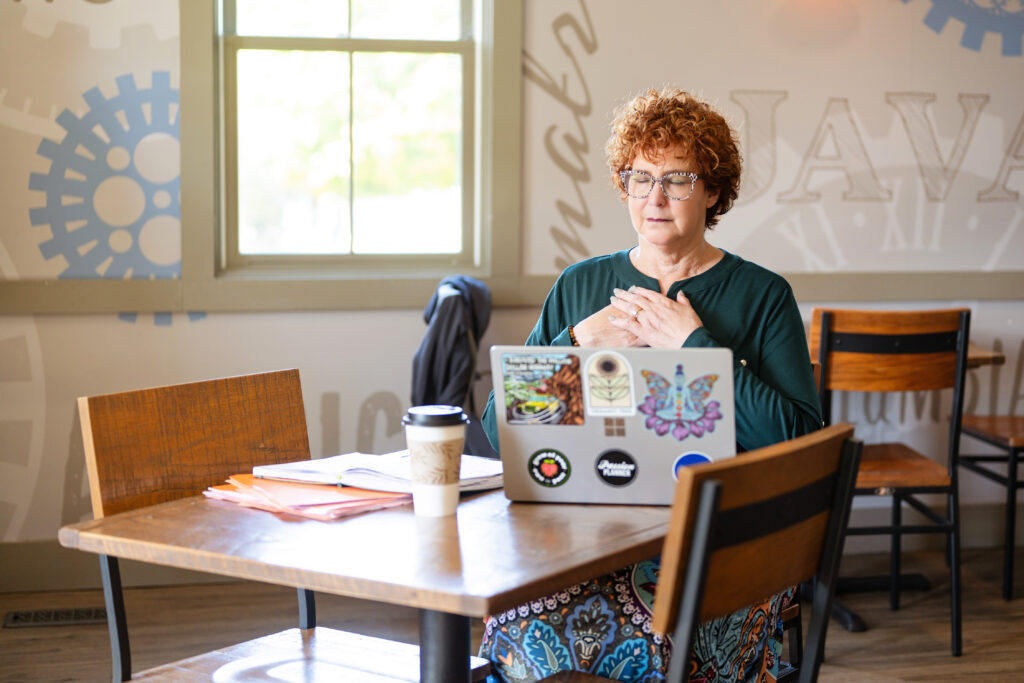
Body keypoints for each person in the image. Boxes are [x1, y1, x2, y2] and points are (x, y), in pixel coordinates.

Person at [478, 88, 822, 682]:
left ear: (713, 192)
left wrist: (698, 352)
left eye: (679, 179)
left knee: (656, 636)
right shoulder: (580, 285)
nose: (656, 197)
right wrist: (573, 347)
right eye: (640, 178)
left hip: (721, 547)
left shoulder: (763, 295)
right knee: (510, 620)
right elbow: (496, 433)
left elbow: (801, 444)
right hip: (587, 539)